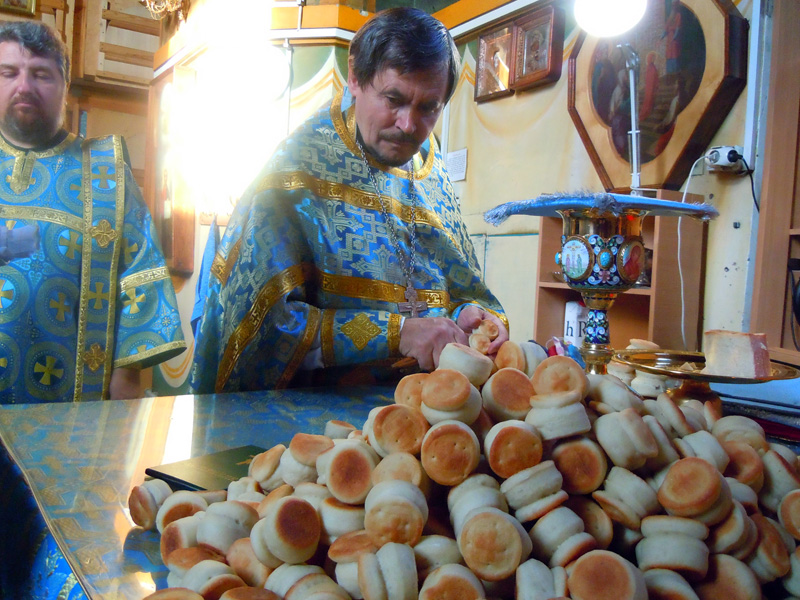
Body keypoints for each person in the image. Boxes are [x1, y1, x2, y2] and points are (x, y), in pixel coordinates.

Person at [190, 7, 508, 393]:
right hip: (316, 416)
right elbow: (262, 332)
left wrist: (471, 315)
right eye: (393, 98)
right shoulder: (295, 170)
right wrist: (397, 333)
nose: (408, 125)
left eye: (428, 107)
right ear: (355, 77)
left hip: (426, 408)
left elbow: (462, 289)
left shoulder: (431, 170)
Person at [0, 21, 186, 402]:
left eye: (41, 74)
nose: (24, 86)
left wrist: (126, 379)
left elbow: (140, 275)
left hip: (73, 405)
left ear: (65, 86)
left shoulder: (106, 170)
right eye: (8, 72)